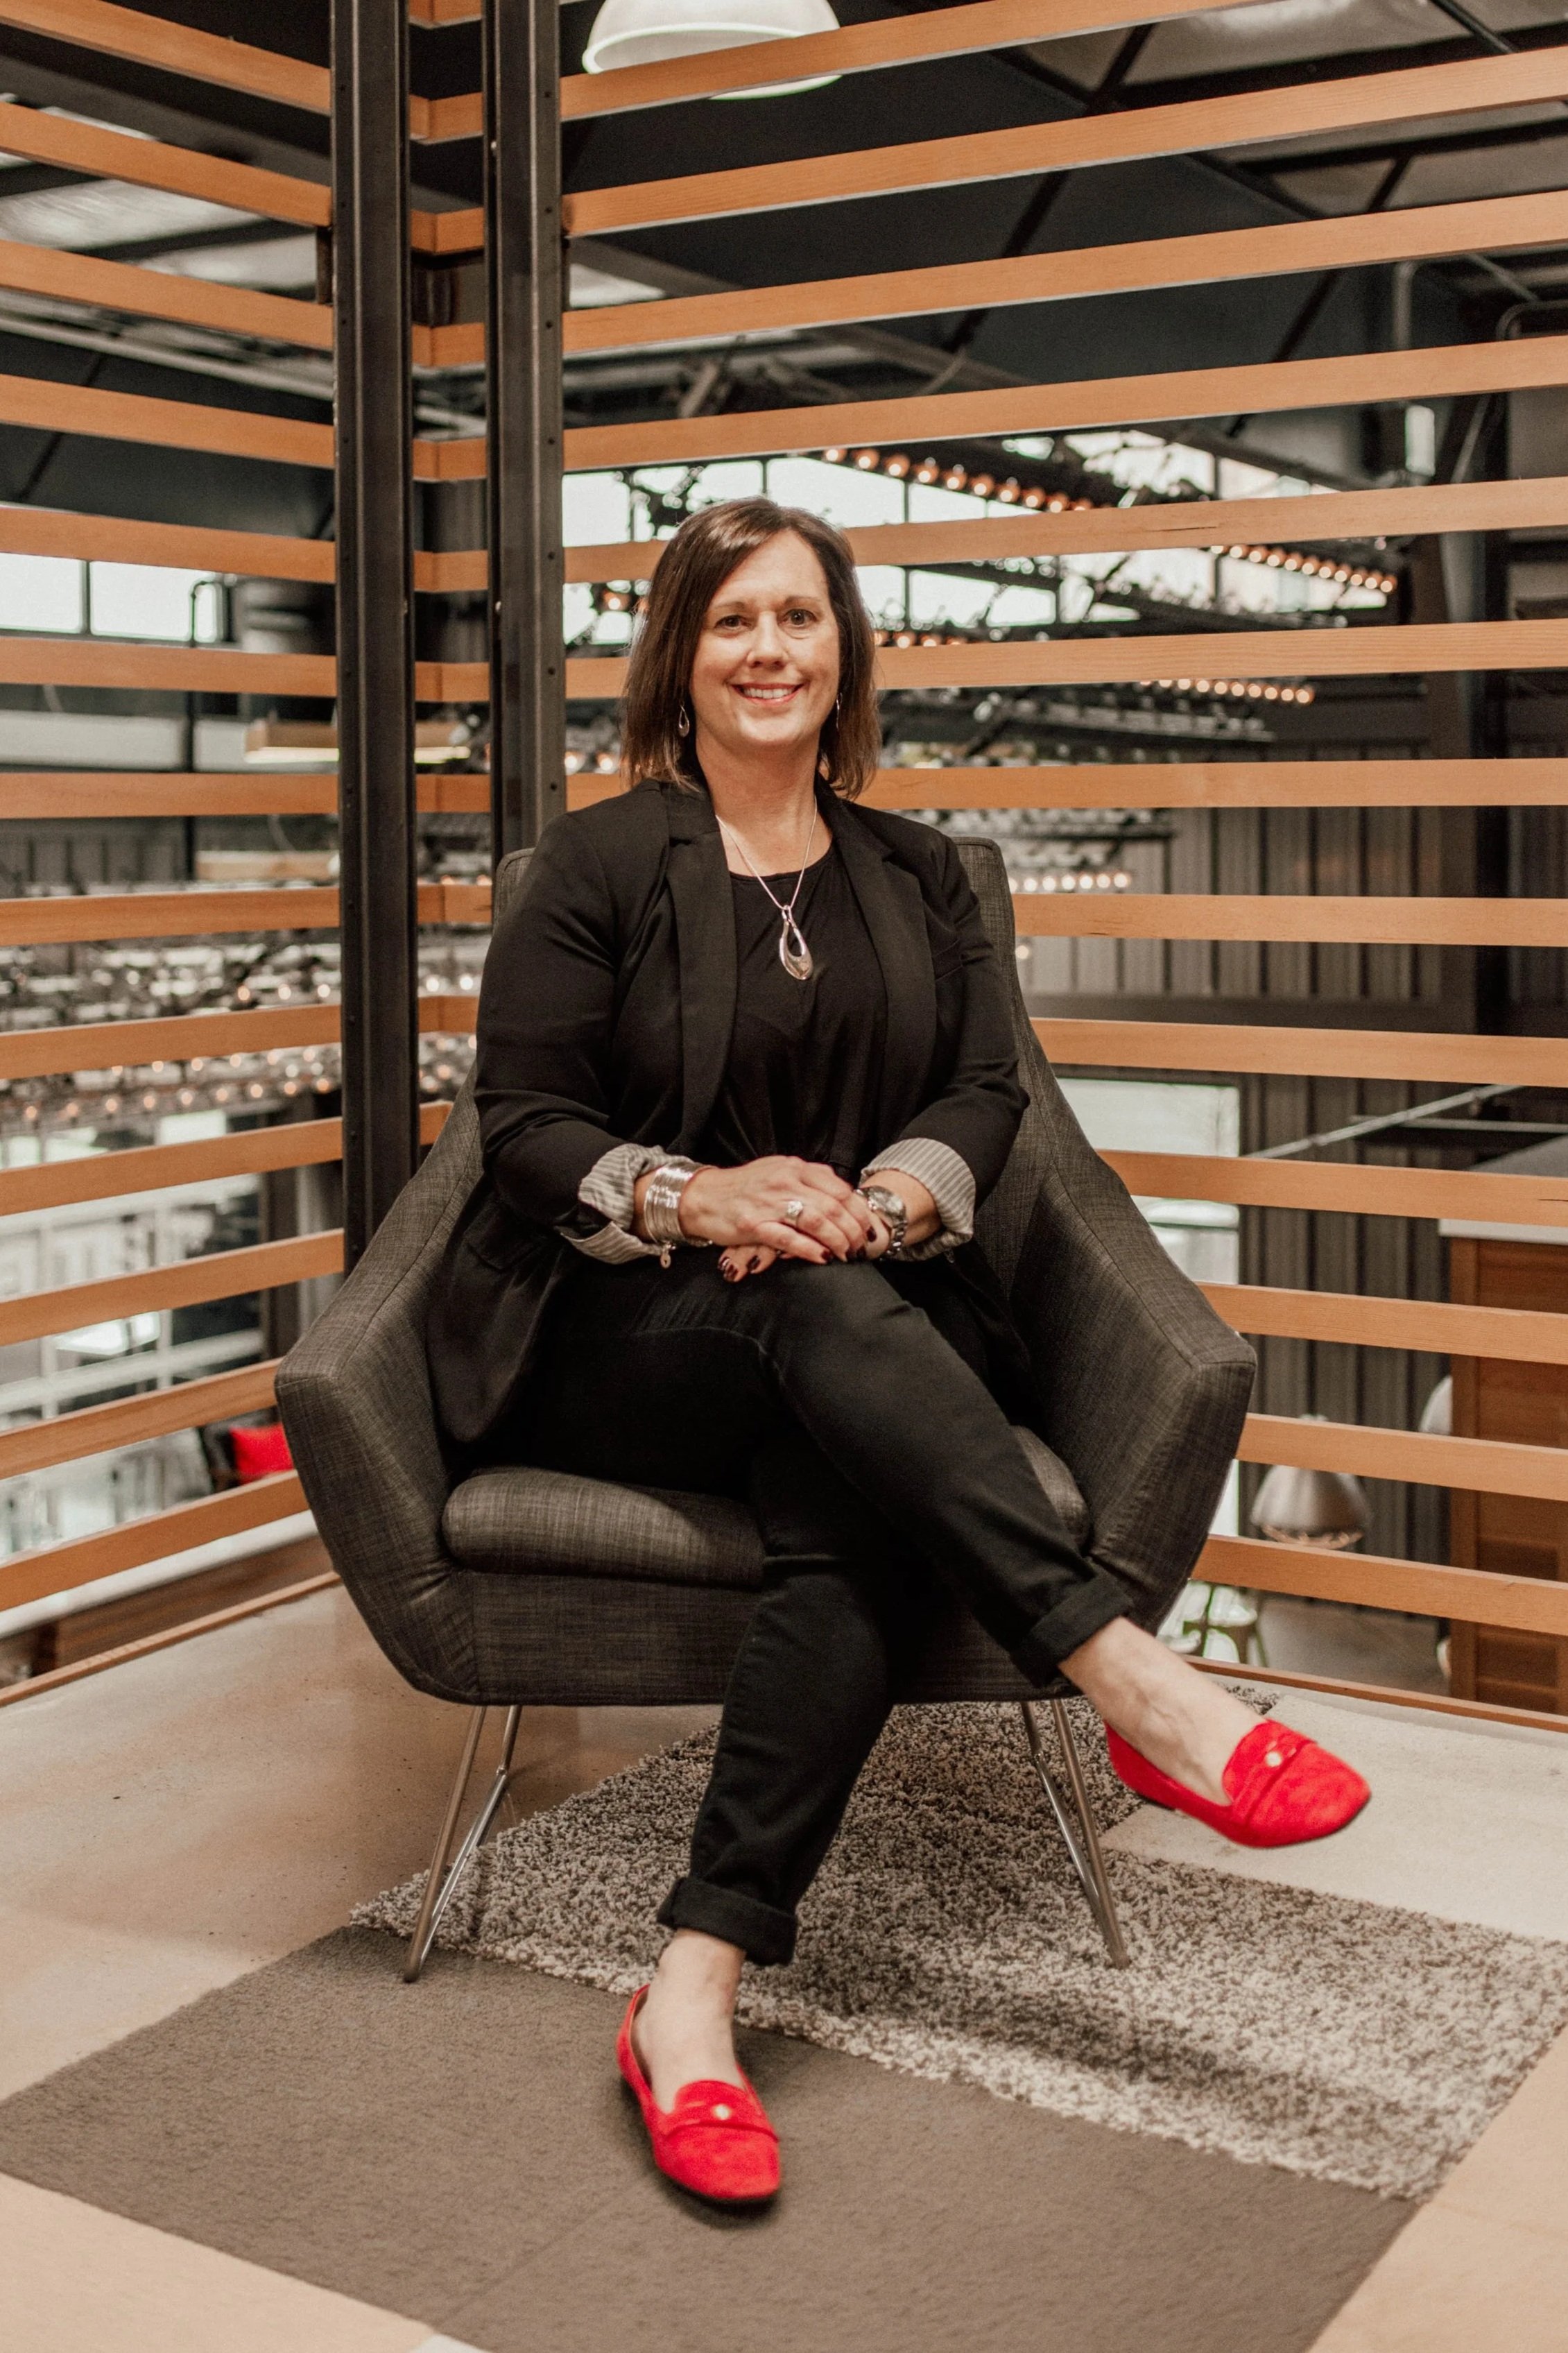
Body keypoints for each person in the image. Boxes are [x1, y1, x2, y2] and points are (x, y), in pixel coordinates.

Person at [427, 497, 1370, 2208]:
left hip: (863, 1322)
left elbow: (987, 1092)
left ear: (844, 652)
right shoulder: (593, 867)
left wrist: (877, 1202)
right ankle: (1124, 1672)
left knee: (845, 1482)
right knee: (799, 1307)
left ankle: (692, 1990)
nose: (768, 649)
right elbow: (523, 1122)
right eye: (732, 620)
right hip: (634, 1336)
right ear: (680, 658)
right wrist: (705, 1195)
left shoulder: (921, 874)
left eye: (799, 616)